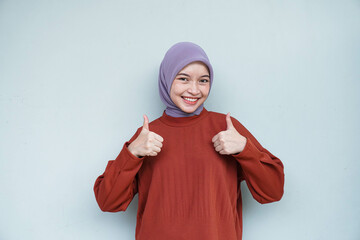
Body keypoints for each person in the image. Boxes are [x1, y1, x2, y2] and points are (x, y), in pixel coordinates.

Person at [93, 42, 284, 240]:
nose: (194, 90)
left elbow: (273, 191)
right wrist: (132, 154)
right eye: (183, 79)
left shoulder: (226, 129)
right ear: (167, 79)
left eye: (203, 80)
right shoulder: (147, 136)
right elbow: (107, 201)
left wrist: (245, 149)